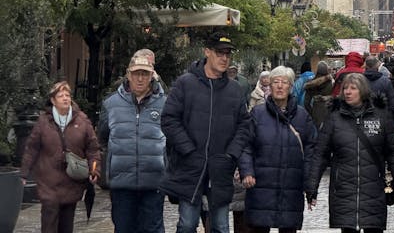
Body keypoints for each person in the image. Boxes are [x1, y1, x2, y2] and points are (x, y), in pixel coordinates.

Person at [160, 31, 251, 233]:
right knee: (187, 223)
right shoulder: (186, 83)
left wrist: (231, 154)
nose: (224, 58)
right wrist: (188, 150)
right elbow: (168, 119)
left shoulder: (234, 89)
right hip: (190, 167)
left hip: (221, 168)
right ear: (207, 52)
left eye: (228, 54)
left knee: (221, 225)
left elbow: (245, 125)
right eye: (220, 53)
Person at [306, 72, 394, 233]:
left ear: (363, 91)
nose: (347, 91)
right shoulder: (334, 119)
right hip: (344, 190)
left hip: (373, 190)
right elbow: (320, 154)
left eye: (353, 88)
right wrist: (312, 188)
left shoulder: (381, 117)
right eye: (345, 88)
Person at [238, 65, 317, 233]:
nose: (280, 86)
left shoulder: (302, 116)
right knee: (259, 227)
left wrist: (310, 184)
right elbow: (245, 145)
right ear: (270, 85)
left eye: (284, 82)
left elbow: (311, 150)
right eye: (276, 82)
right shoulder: (257, 114)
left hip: (291, 185)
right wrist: (247, 171)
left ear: (290, 86)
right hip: (261, 185)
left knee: (288, 228)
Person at [98, 49, 166, 233]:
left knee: (153, 229)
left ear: (152, 76)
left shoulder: (164, 104)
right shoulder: (111, 104)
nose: (140, 79)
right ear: (128, 75)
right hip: (122, 183)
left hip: (153, 182)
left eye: (145, 74)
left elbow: (173, 138)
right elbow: (102, 137)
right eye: (136, 74)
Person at [21, 80, 100, 233]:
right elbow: (32, 148)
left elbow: (93, 148)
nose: (65, 98)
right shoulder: (43, 122)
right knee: (49, 221)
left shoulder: (82, 120)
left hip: (71, 181)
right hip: (48, 182)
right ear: (53, 100)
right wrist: (24, 173)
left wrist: (94, 169)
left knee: (66, 223)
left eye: (67, 95)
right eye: (60, 95)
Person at [303, 61, 334, 128]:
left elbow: (306, 103)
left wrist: (312, 113)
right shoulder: (331, 82)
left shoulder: (310, 84)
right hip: (329, 110)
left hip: (316, 111)